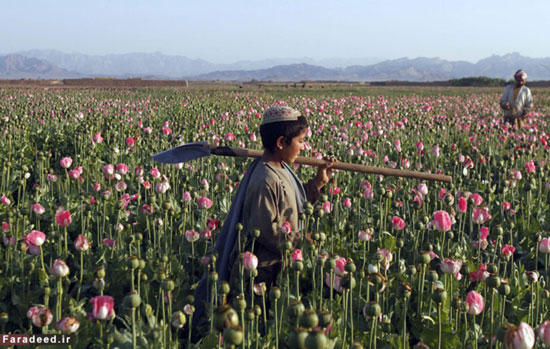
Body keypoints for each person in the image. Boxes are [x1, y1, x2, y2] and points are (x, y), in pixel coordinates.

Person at [192, 106, 335, 330]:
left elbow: (293, 204)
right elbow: (266, 230)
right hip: (263, 275)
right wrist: (300, 238)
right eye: (300, 141)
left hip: (280, 267)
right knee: (261, 329)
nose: (303, 147)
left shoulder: (282, 168)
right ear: (281, 143)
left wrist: (319, 183)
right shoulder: (265, 179)